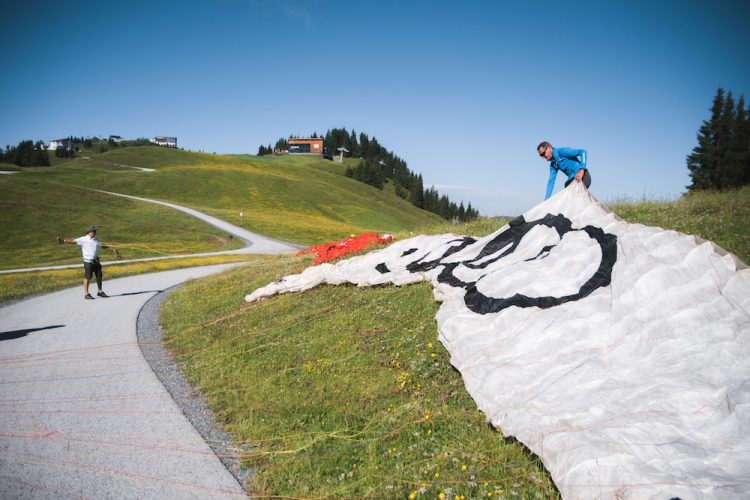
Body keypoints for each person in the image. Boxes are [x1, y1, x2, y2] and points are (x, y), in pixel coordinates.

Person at [57, 226, 120, 300]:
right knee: (87, 277)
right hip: (88, 262)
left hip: (96, 261)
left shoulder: (97, 239)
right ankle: (86, 294)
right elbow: (73, 241)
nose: (95, 232)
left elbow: (102, 246)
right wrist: (64, 241)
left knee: (99, 276)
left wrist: (111, 249)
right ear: (89, 232)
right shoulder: (83, 239)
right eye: (94, 231)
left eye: (95, 231)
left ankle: (100, 291)